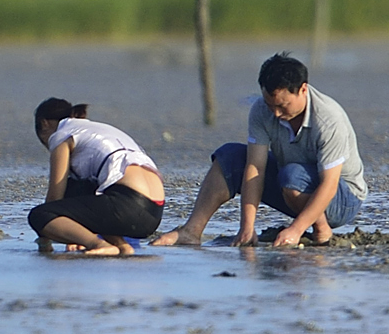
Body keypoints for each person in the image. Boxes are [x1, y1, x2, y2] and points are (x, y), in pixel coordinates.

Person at [152, 52, 366, 248]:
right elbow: (256, 168)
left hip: (341, 198)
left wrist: (295, 230)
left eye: (283, 106)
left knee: (293, 175)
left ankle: (321, 230)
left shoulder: (329, 120)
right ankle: (191, 231)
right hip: (290, 184)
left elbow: (329, 184)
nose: (275, 114)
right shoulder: (262, 111)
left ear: (303, 89)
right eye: (270, 105)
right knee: (230, 157)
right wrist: (247, 226)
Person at [27, 99, 166, 256]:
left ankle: (97, 244)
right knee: (79, 187)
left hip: (127, 205)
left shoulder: (61, 135)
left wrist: (46, 237)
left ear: (44, 124)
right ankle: (122, 246)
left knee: (40, 215)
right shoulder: (98, 128)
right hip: (154, 213)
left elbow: (54, 198)